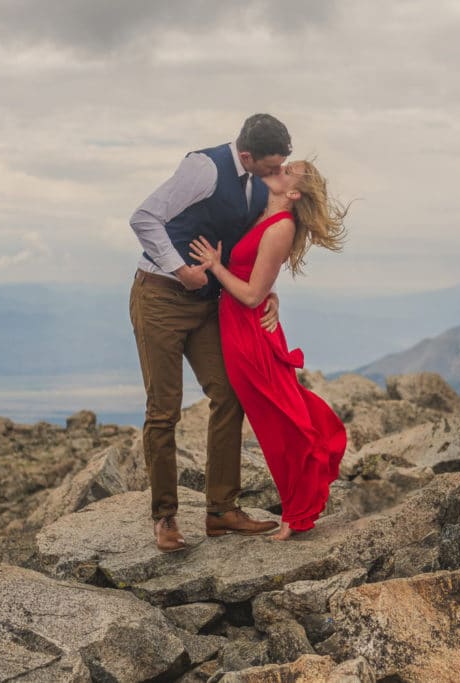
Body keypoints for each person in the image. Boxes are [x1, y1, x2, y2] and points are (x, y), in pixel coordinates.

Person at [129, 114, 292, 552]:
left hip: (207, 306)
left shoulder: (260, 186)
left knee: (229, 393)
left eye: (282, 165)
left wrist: (268, 294)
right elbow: (144, 218)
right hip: (161, 296)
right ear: (245, 156)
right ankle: (165, 517)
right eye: (271, 166)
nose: (278, 175)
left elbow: (250, 250)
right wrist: (181, 270)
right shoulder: (202, 168)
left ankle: (221, 511)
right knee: (164, 410)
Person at [189, 160, 349, 540]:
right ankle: (298, 508)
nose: (279, 168)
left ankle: (297, 514)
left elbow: (249, 294)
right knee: (277, 418)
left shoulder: (281, 227)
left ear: (292, 193)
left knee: (279, 422)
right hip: (241, 328)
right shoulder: (263, 212)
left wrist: (214, 266)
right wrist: (270, 292)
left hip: (249, 334)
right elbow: (259, 282)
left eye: (287, 171)